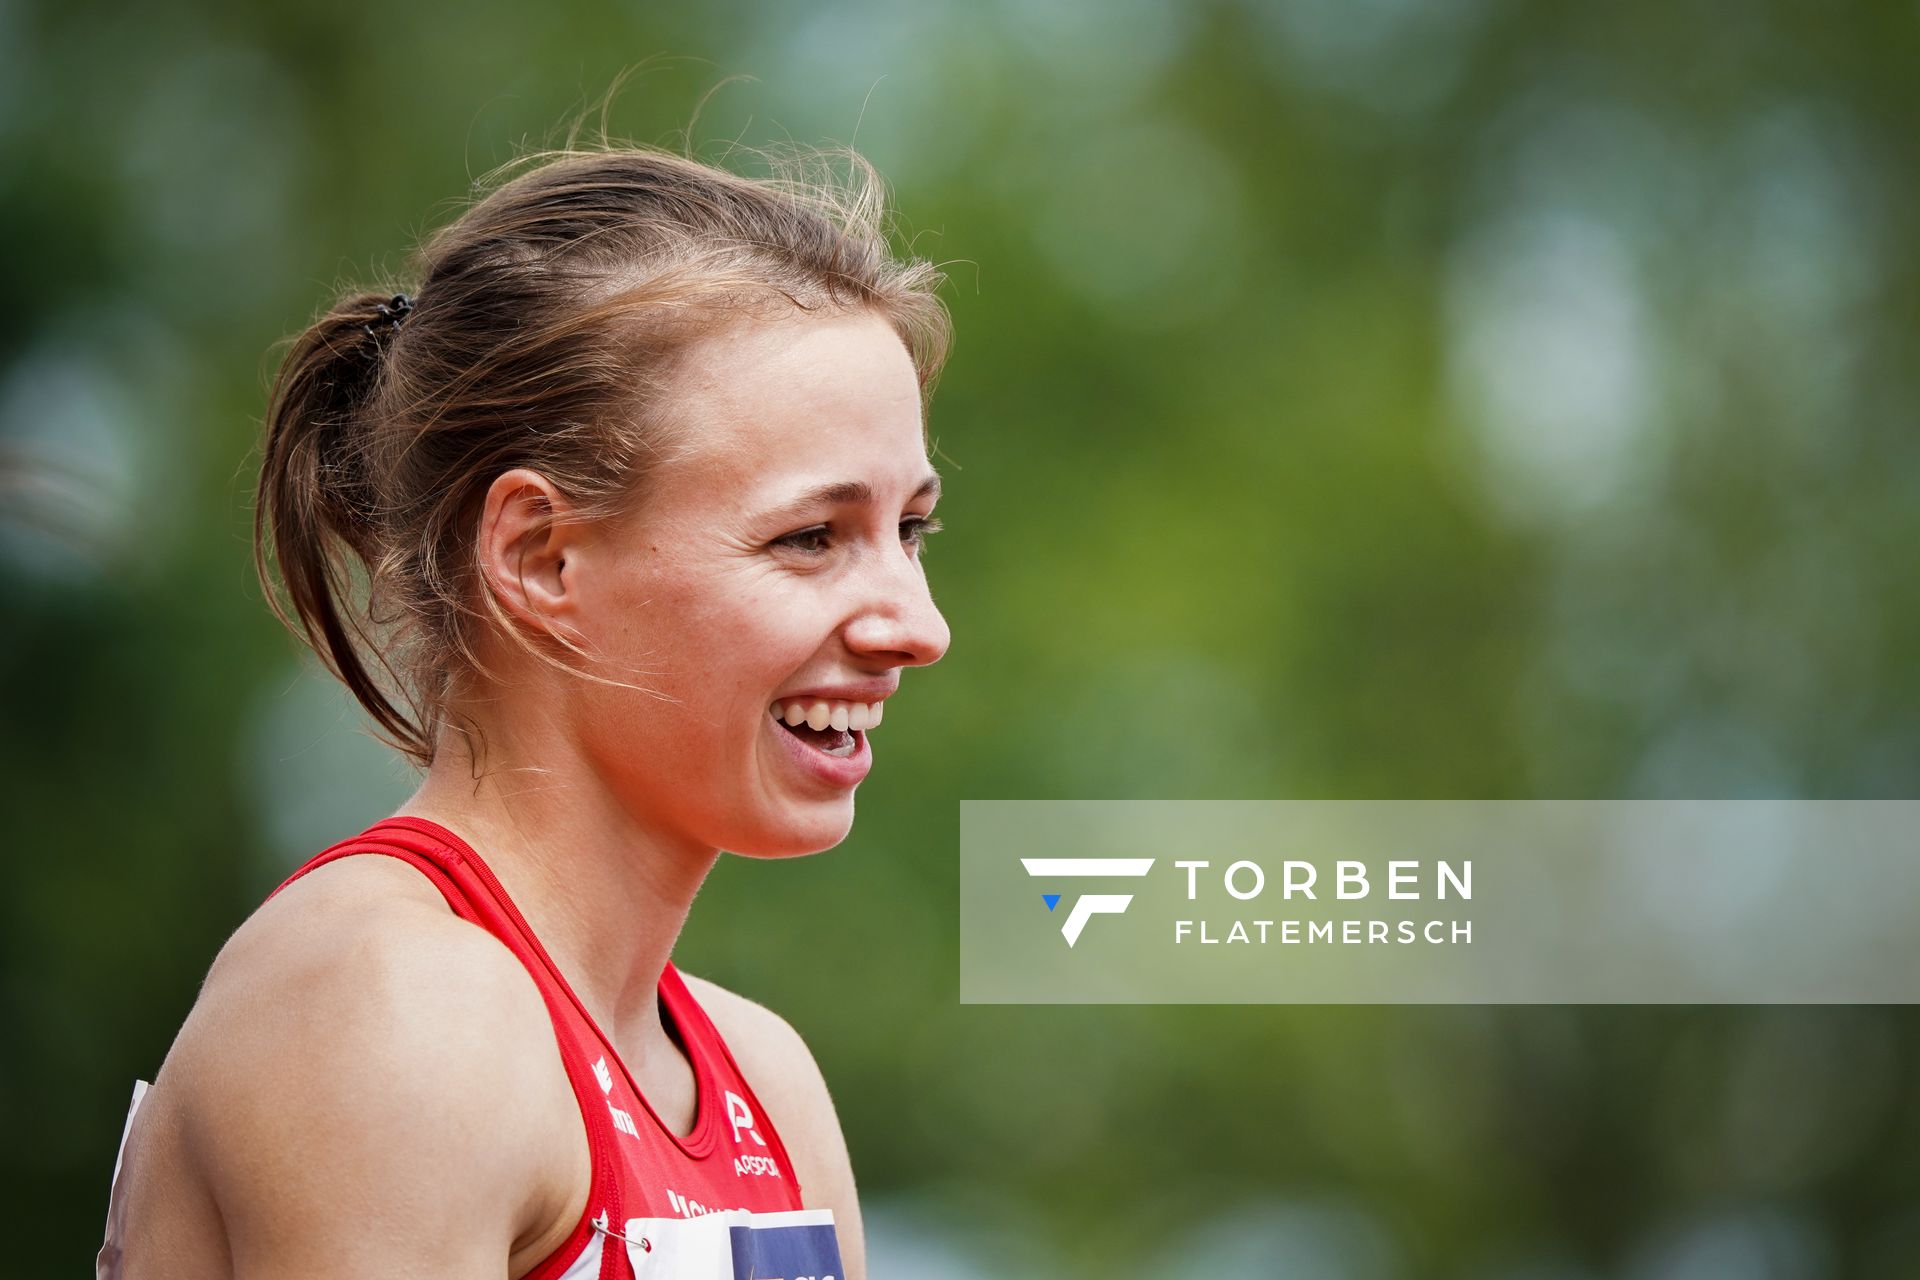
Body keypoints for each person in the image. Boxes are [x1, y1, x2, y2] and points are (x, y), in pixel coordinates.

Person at [96, 139, 953, 1279]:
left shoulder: (765, 1079)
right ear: (541, 557)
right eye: (811, 537)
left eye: (911, 531)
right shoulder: (397, 1007)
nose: (918, 625)